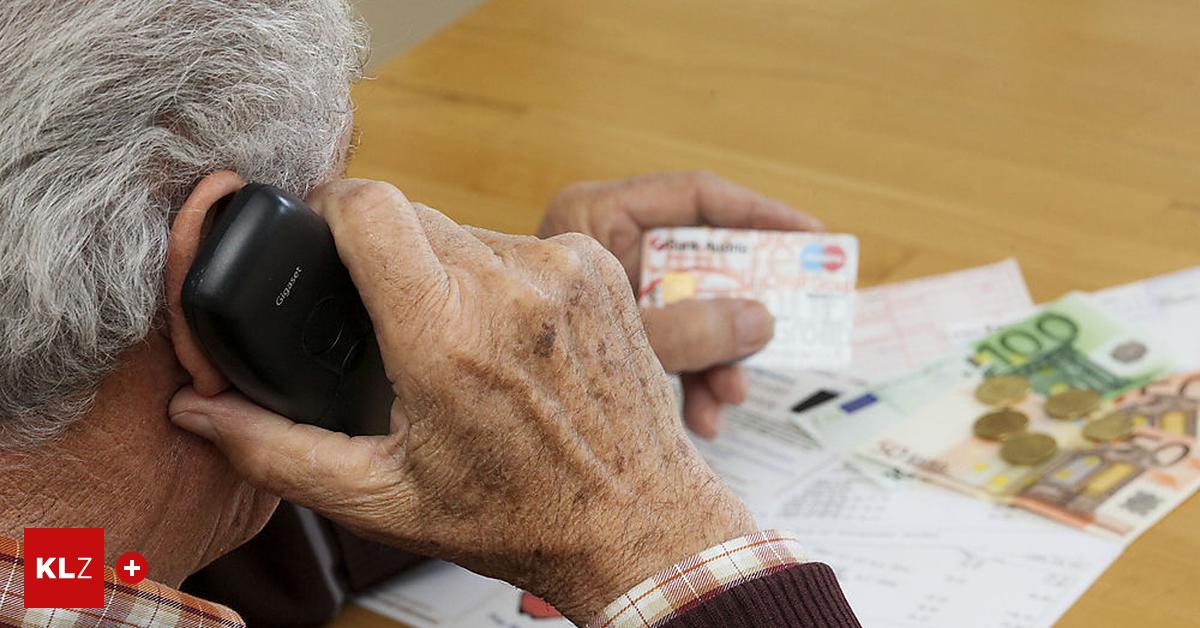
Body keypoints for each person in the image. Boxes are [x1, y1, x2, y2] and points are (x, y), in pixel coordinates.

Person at [0, 1, 859, 626]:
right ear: (224, 284)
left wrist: (482, 398)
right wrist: (652, 531)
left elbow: (99, 562)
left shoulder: (53, 572)